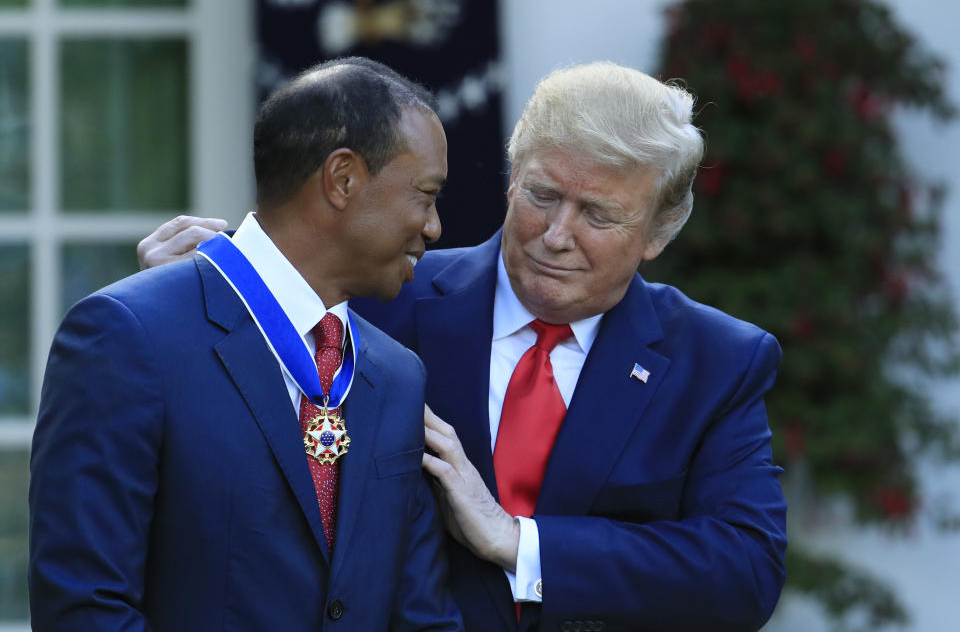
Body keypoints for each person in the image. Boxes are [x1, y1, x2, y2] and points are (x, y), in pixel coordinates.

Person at [138, 61, 787, 632]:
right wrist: (186, 304)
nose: (556, 234)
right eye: (542, 194)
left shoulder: (718, 361)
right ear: (510, 178)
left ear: (659, 231)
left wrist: (519, 542)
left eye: (597, 215)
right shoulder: (377, 302)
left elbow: (746, 571)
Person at [30, 57, 463, 631]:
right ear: (342, 179)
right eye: (426, 195)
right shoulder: (129, 335)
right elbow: (84, 607)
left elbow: (423, 617)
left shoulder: (397, 374)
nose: (434, 227)